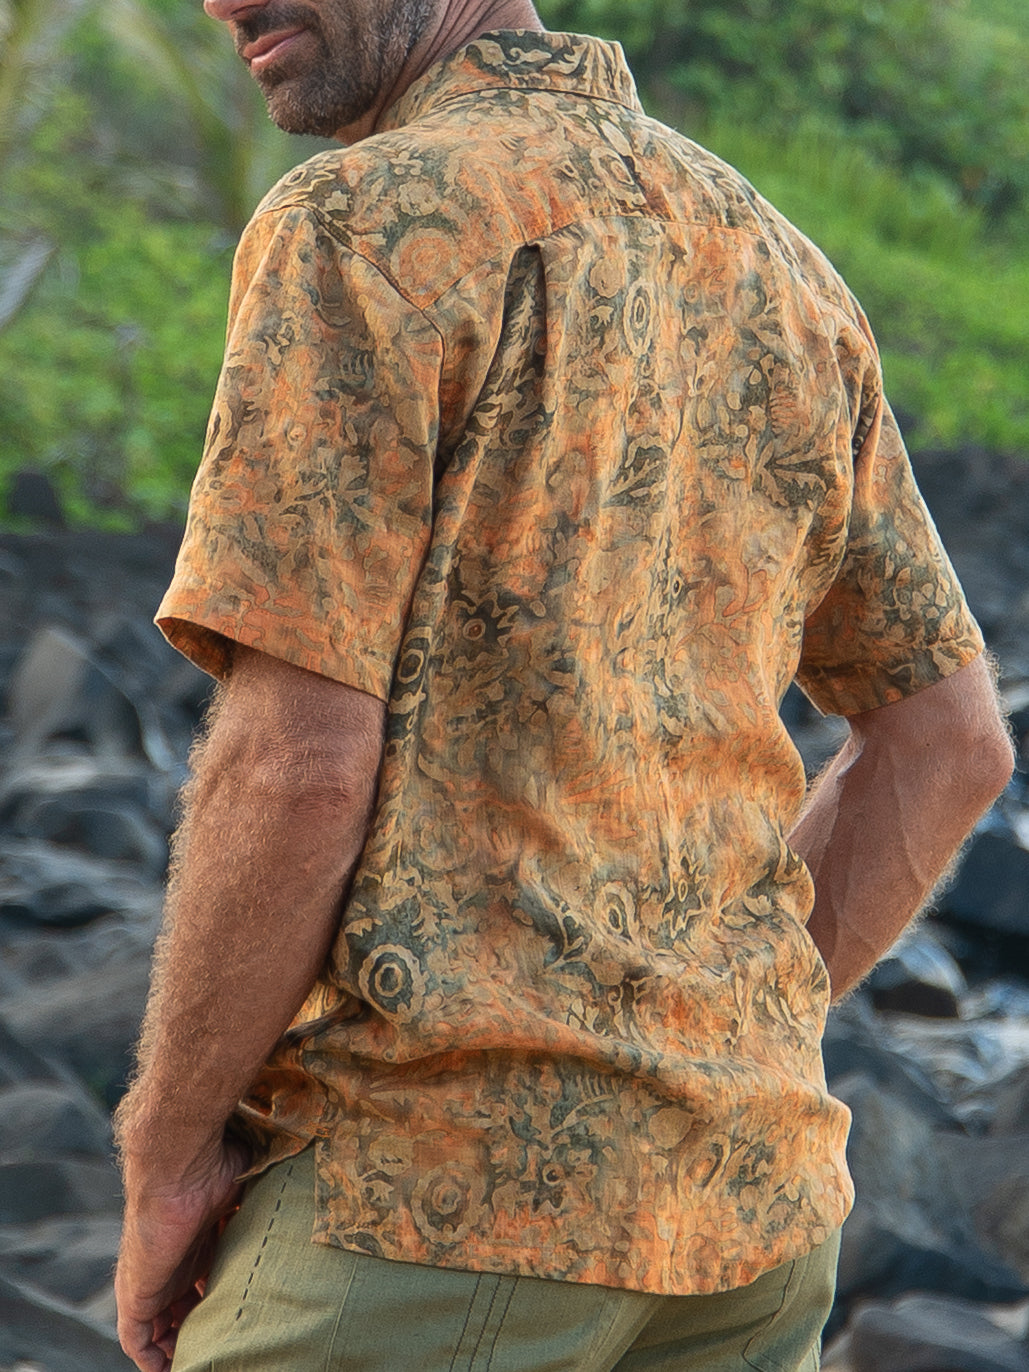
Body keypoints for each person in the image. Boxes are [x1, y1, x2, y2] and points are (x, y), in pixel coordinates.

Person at [113, 1, 1015, 1369]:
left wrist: (165, 1153)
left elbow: (293, 764)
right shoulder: (774, 260)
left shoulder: (358, 224)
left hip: (431, 1201)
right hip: (745, 1220)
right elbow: (948, 742)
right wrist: (699, 1043)